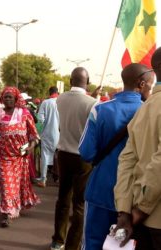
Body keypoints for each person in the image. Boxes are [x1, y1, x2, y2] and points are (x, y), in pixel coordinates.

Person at [79, 63, 154, 250]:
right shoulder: (149, 112)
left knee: (93, 244)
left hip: (101, 190)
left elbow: (86, 152)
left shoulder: (101, 110)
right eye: (151, 86)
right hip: (136, 199)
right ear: (142, 84)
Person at [114, 48, 161, 250]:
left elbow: (126, 161)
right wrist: (141, 208)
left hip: (140, 220)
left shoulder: (145, 108)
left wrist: (125, 211)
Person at [50, 67, 97, 250]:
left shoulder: (60, 99)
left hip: (63, 153)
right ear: (89, 81)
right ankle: (73, 244)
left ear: (70, 81)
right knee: (79, 204)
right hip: (83, 157)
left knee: (63, 199)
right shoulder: (93, 103)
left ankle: (58, 240)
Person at [0, 87, 40, 228]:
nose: (8, 99)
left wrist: (29, 148)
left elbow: (34, 136)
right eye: (5, 97)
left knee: (16, 184)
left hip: (19, 157)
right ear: (2, 99)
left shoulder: (24, 114)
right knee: (6, 184)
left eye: (10, 97)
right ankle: (7, 213)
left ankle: (14, 206)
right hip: (2, 156)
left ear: (16, 99)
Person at [35, 86, 59, 188]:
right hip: (60, 134)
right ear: (57, 92)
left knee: (44, 156)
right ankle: (59, 179)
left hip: (47, 133)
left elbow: (40, 119)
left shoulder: (45, 102)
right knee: (59, 157)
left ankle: (43, 179)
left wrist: (38, 132)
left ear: (50, 93)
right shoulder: (62, 102)